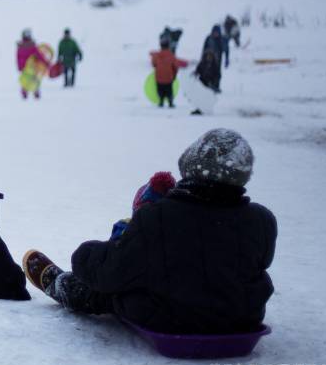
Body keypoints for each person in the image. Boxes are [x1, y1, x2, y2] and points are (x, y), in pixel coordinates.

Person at [22, 129, 276, 334]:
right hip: (240, 320)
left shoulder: (159, 217)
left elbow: (110, 272)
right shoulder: (262, 220)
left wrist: (86, 255)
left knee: (115, 290)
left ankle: (64, 286)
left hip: (173, 319)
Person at [150, 40, 187, 108]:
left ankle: (161, 101)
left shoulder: (157, 55)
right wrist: (174, 75)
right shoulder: (171, 55)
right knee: (169, 90)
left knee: (160, 89)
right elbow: (175, 66)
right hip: (168, 77)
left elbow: (154, 64)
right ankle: (170, 102)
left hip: (159, 76)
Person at [17, 29, 51, 100]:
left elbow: (18, 57)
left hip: (26, 67)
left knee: (26, 79)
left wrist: (20, 66)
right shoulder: (31, 46)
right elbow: (40, 56)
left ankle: (26, 92)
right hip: (31, 67)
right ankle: (35, 92)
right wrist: (46, 63)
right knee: (34, 79)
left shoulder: (21, 46)